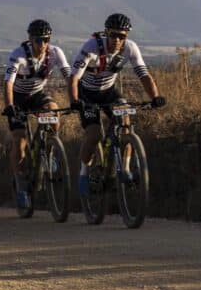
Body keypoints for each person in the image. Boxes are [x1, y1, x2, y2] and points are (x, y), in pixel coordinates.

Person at [68, 13, 166, 196]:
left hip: (109, 92)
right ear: (107, 33)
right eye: (114, 35)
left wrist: (156, 97)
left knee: (126, 123)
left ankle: (125, 168)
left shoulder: (130, 48)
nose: (117, 40)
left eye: (122, 36)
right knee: (94, 134)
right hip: (87, 94)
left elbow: (144, 75)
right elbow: (74, 77)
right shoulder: (91, 47)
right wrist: (74, 101)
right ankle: (83, 173)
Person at [3, 19, 72, 209]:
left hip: (36, 94)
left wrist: (76, 99)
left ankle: (49, 148)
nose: (41, 44)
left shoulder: (56, 53)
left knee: (53, 110)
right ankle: (20, 183)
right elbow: (8, 83)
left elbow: (69, 77)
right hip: (17, 98)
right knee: (20, 139)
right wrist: (9, 105)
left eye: (45, 40)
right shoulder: (18, 55)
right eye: (37, 40)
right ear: (30, 39)